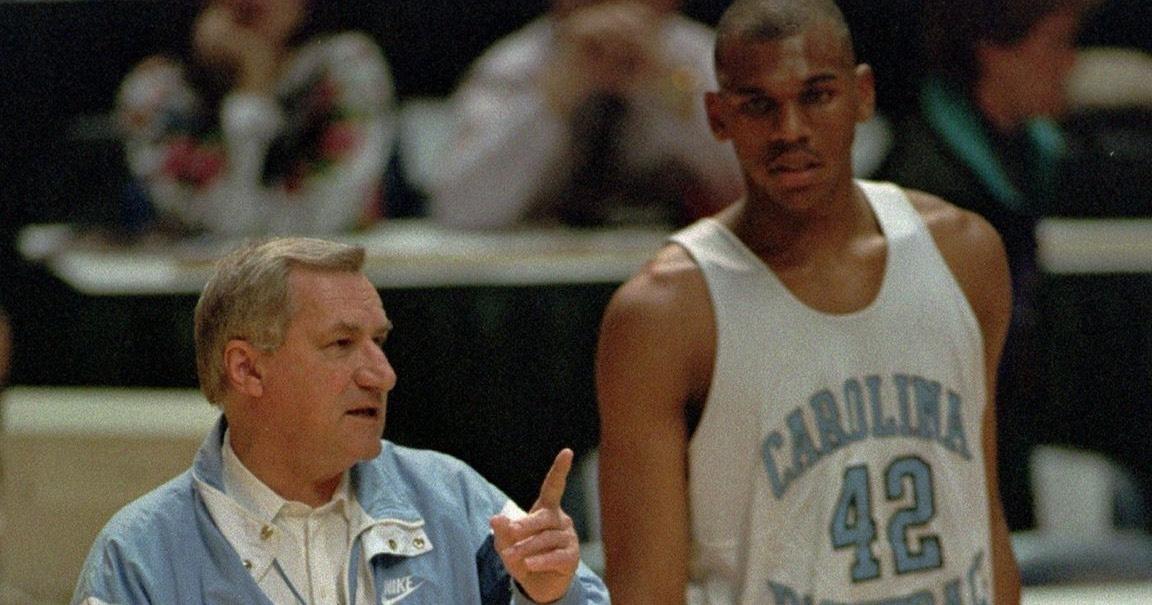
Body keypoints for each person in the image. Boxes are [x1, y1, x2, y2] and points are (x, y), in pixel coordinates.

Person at [595, 0, 1021, 602]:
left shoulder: (965, 254)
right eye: (758, 104)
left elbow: (983, 518)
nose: (789, 128)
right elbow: (645, 590)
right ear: (719, 116)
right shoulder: (663, 313)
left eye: (817, 95)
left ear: (863, 95)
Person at [72, 238, 609, 604]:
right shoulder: (139, 558)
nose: (383, 375)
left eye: (378, 342)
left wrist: (550, 595)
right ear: (247, 368)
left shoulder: (454, 501)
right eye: (341, 344)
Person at [874, 0, 1100, 532]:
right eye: (1055, 44)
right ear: (993, 52)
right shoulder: (922, 181)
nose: (1070, 64)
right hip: (939, 455)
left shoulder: (1032, 156)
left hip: (1008, 432)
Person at [430, 0, 743, 229]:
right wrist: (551, 100)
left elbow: (760, 197)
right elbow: (459, 212)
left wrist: (673, 89)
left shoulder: (710, 58)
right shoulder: (514, 67)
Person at [117, 0, 395, 236]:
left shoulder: (348, 66)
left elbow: (327, 220)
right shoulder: (158, 90)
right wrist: (251, 87)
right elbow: (227, 230)